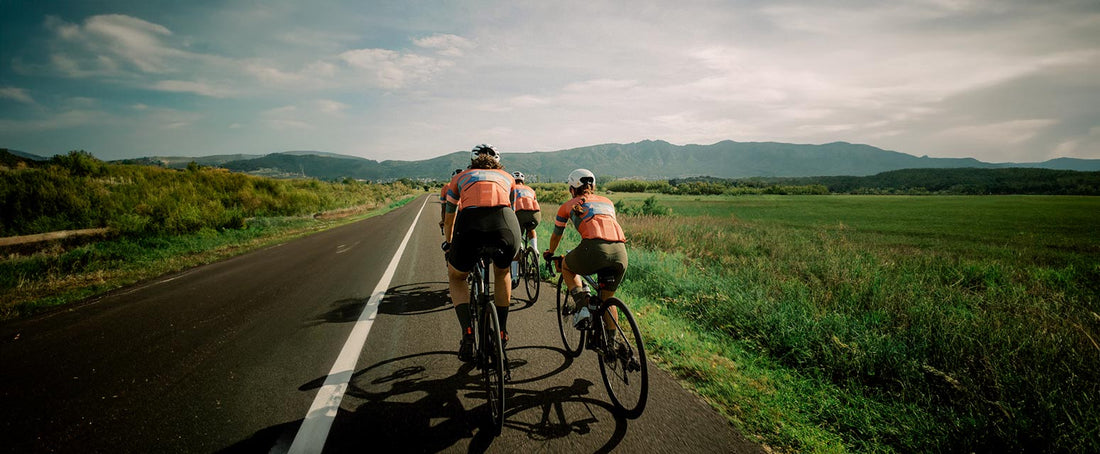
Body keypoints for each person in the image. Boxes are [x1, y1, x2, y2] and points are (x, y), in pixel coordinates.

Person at [442, 144, 521, 362]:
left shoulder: (459, 179)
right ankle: (502, 332)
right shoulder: (508, 178)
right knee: (502, 272)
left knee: (457, 277)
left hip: (469, 226)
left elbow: (449, 218)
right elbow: (511, 210)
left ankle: (467, 333)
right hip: (505, 224)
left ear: (472, 161)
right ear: (497, 162)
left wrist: (449, 243)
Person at [543, 169, 627, 345]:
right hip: (621, 252)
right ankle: (612, 345)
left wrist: (550, 253)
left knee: (566, 265)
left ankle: (582, 307)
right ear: (593, 186)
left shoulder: (567, 205)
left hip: (594, 248)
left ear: (572, 188)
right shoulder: (608, 201)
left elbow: (557, 235)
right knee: (607, 299)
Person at [508, 171, 541, 288]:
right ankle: (535, 249)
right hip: (535, 214)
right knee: (531, 228)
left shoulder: (511, 189)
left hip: (519, 213)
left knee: (516, 242)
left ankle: (515, 277)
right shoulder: (530, 189)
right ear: (523, 181)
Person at [439, 168, 463, 236]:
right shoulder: (467, 184)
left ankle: (448, 242)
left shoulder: (446, 187)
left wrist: (443, 220)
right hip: (467, 212)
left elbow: (443, 207)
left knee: (450, 229)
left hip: (454, 212)